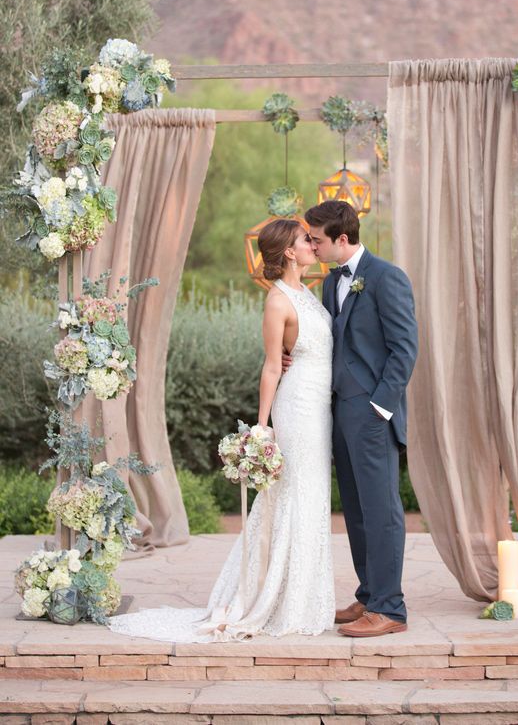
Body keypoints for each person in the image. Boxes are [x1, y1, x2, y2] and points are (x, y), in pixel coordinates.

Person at [107, 218, 335, 642]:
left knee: (311, 499)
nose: (312, 245)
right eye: (306, 240)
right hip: (298, 409)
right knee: (292, 500)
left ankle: (302, 597)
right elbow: (271, 365)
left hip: (322, 408)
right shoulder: (277, 301)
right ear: (289, 251)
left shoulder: (309, 292)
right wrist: (262, 429)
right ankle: (272, 600)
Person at [302, 200, 418, 638]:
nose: (312, 245)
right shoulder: (332, 282)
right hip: (338, 411)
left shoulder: (387, 278)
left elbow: (404, 348)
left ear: (342, 239)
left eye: (317, 239)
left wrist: (380, 407)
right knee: (355, 510)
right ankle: (370, 594)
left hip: (371, 413)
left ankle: (391, 608)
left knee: (382, 510)